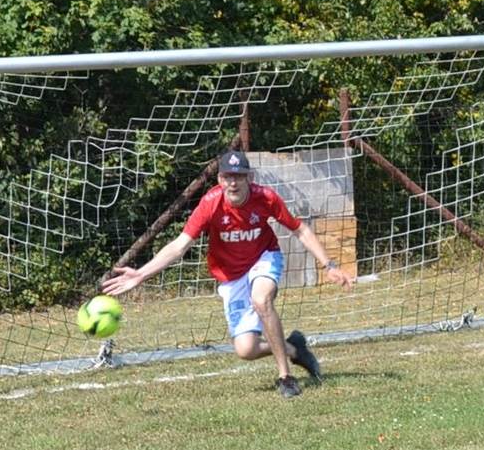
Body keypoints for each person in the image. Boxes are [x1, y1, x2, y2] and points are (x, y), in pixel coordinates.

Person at [102, 149, 354, 398]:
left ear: (249, 178)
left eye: (239, 176)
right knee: (246, 350)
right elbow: (179, 246)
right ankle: (294, 348)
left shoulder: (265, 197)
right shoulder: (211, 204)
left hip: (264, 258)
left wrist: (329, 265)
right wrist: (140, 275)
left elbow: (301, 230)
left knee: (261, 300)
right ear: (220, 179)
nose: (233, 182)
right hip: (230, 277)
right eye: (227, 176)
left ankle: (285, 377)